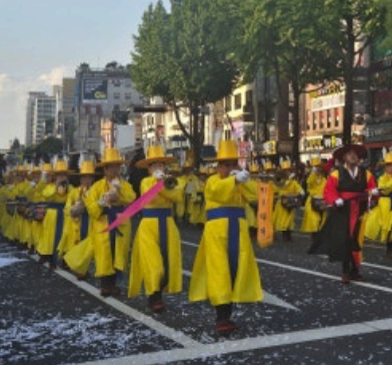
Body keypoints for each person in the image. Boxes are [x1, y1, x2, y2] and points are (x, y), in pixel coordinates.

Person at [188, 139, 264, 334]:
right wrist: (234, 180)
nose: (230, 168)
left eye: (233, 164)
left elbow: (256, 196)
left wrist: (243, 180)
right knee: (219, 270)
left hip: (238, 230)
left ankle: (228, 312)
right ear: (218, 166)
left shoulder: (238, 182)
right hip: (216, 232)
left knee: (236, 269)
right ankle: (222, 315)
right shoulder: (213, 180)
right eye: (226, 164)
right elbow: (217, 192)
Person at [72, 147, 136, 297]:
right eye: (111, 167)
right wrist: (101, 203)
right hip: (103, 222)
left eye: (117, 166)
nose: (115, 170)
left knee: (118, 252)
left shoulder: (125, 184)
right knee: (104, 253)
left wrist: (118, 193)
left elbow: (132, 198)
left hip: (120, 221)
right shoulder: (97, 187)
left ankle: (114, 283)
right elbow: (91, 208)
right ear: (105, 169)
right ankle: (105, 284)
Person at [127, 144, 184, 313]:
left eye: (161, 164)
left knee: (168, 263)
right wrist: (157, 181)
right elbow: (148, 192)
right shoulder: (146, 181)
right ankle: (154, 296)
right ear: (149, 169)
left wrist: (163, 183)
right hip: (149, 225)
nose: (158, 167)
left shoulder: (173, 181)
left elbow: (177, 196)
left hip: (167, 223)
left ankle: (158, 294)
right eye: (154, 165)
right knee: (154, 263)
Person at [311, 143, 376, 283]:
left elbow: (372, 189)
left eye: (355, 154)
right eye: (349, 154)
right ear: (344, 158)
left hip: (359, 209)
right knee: (345, 240)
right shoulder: (336, 173)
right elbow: (329, 191)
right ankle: (346, 271)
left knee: (356, 240)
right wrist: (335, 199)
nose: (353, 156)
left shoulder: (366, 173)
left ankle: (355, 270)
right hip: (342, 210)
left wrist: (373, 193)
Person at [364, 149, 392, 259]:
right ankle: (388, 247)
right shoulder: (382, 178)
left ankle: (390, 246)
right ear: (385, 167)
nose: (391, 168)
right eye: (389, 165)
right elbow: (385, 189)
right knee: (386, 225)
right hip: (385, 203)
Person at [59, 156, 96, 279]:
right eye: (84, 177)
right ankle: (79, 269)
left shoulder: (96, 190)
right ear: (80, 178)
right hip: (78, 223)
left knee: (90, 245)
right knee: (78, 244)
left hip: (92, 221)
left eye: (89, 177)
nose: (86, 180)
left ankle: (83, 268)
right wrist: (74, 209)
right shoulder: (74, 192)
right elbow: (67, 208)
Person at [35, 158, 73, 269]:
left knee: (65, 236)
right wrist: (56, 186)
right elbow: (47, 196)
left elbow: (74, 196)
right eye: (59, 175)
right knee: (49, 236)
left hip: (65, 214)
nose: (62, 177)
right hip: (52, 214)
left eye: (64, 175)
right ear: (55, 176)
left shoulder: (70, 188)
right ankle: (48, 256)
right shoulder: (50, 187)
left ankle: (64, 259)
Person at [272, 159, 303, 242]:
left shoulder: (293, 181)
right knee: (283, 219)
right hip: (283, 202)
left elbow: (297, 187)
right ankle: (285, 235)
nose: (287, 172)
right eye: (285, 171)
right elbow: (276, 188)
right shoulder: (279, 180)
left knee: (290, 219)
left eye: (289, 170)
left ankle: (288, 234)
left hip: (291, 201)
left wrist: (300, 191)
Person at [300, 161, 327, 235]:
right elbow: (309, 182)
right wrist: (313, 173)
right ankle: (314, 236)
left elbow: (326, 188)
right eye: (316, 167)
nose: (318, 169)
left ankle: (320, 236)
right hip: (312, 201)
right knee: (313, 220)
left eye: (319, 167)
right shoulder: (311, 177)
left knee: (322, 219)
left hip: (322, 201)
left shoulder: (324, 178)